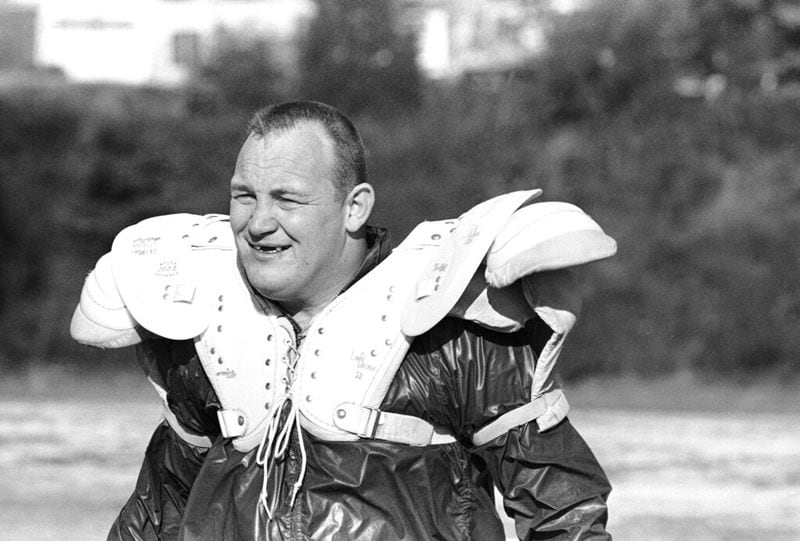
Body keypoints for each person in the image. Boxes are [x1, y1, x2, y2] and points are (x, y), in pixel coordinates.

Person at [71, 101, 614, 540]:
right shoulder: (201, 324)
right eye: (244, 196)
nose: (259, 222)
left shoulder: (447, 331)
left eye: (287, 199)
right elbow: (159, 513)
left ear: (355, 207)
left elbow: (564, 515)